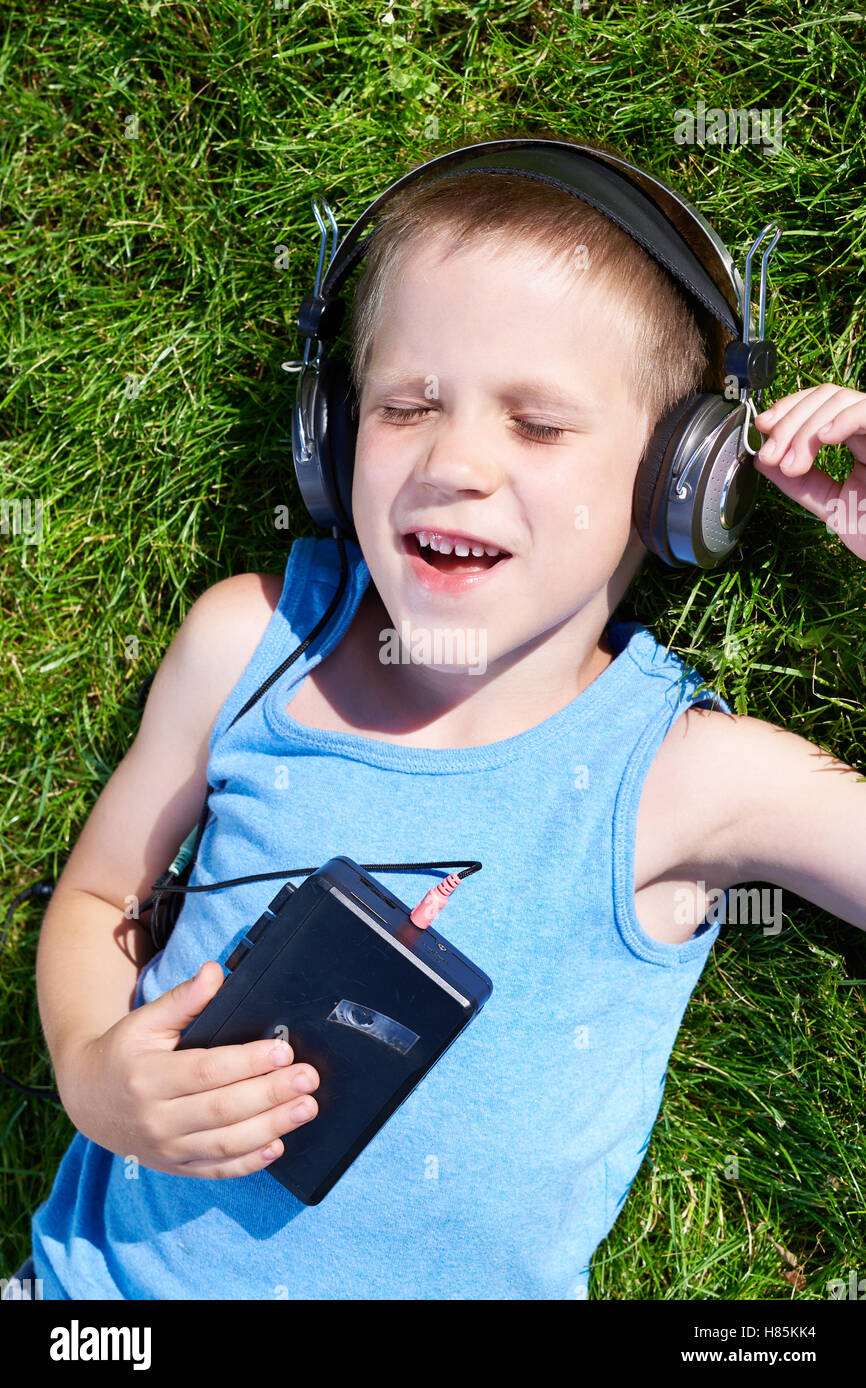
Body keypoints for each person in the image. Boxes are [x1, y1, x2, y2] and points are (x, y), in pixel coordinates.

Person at [15, 136, 866, 1300]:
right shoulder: (249, 646)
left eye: (539, 425)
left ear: (685, 480)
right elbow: (102, 895)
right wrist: (89, 1072)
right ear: (329, 432)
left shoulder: (685, 777)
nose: (453, 460)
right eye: (406, 403)